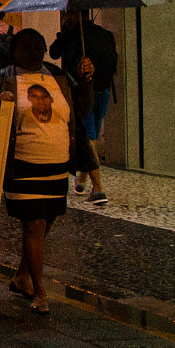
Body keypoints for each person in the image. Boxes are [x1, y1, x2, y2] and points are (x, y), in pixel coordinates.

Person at [0, 28, 89, 315]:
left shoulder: (59, 77)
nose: (33, 53)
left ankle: (20, 276)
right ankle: (40, 291)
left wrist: (87, 80)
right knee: (33, 225)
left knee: (45, 223)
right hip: (22, 165)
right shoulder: (1, 78)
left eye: (38, 47)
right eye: (25, 48)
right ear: (14, 52)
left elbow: (83, 109)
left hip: (56, 167)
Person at [50, 10, 115, 205]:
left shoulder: (72, 33)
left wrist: (64, 33)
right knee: (91, 136)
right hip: (104, 90)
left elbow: (53, 52)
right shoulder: (105, 34)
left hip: (82, 92)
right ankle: (82, 181)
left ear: (74, 14)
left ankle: (99, 190)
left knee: (88, 140)